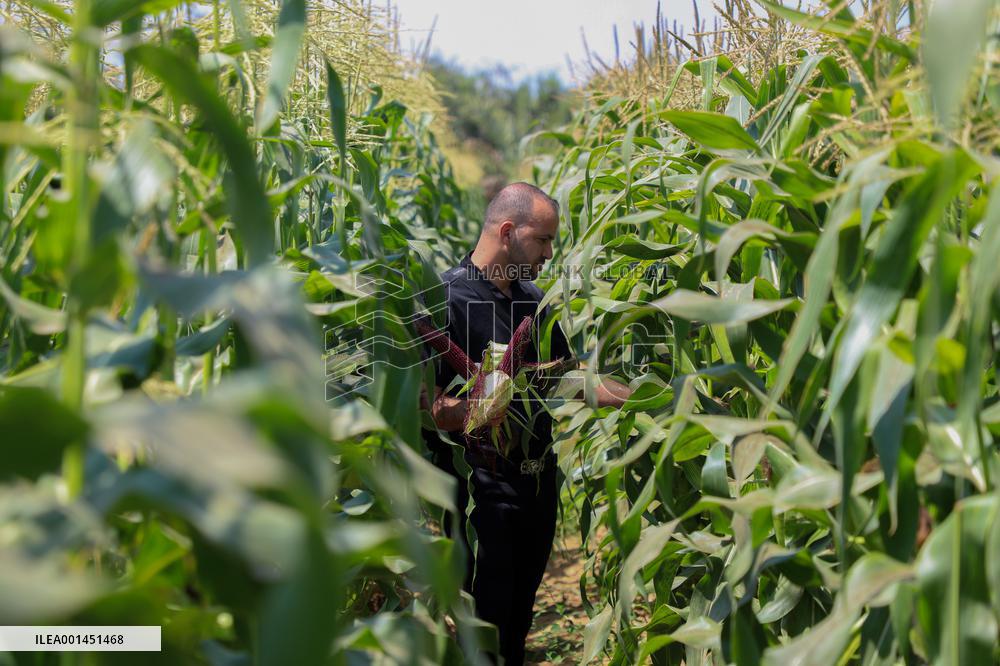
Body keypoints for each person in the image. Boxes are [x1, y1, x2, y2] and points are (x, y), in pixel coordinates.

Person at [420, 182, 632, 665]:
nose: (549, 254)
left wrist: (645, 397)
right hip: (482, 495)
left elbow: (568, 378)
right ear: (508, 232)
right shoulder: (446, 299)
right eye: (543, 240)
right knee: (486, 629)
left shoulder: (532, 301)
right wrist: (475, 409)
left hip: (537, 485)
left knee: (517, 627)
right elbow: (429, 407)